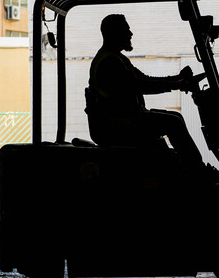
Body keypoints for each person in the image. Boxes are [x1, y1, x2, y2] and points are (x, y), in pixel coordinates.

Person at [86, 14, 206, 174]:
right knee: (173, 123)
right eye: (126, 30)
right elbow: (139, 86)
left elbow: (144, 80)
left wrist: (178, 78)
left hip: (124, 121)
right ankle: (199, 173)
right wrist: (178, 85)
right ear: (114, 33)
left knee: (176, 118)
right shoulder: (109, 62)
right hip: (119, 126)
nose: (130, 34)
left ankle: (191, 171)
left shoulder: (116, 58)